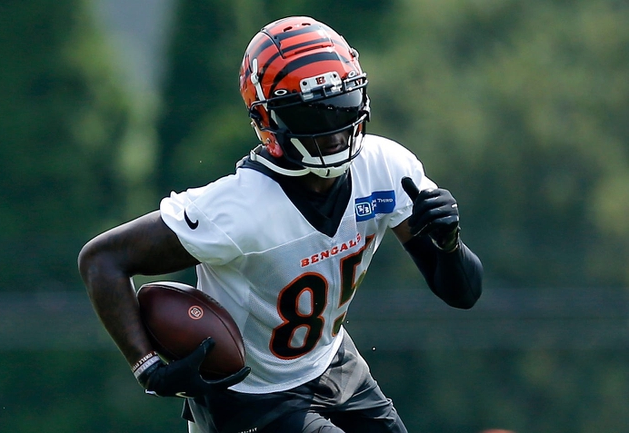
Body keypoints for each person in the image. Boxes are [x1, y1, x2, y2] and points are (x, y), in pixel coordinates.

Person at [78, 16, 483, 433]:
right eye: (312, 117)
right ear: (268, 123)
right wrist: (145, 365)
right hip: (248, 396)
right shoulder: (239, 208)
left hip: (331, 363)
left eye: (340, 106)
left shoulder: (386, 168)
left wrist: (450, 246)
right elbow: (102, 260)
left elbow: (464, 293)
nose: (334, 133)